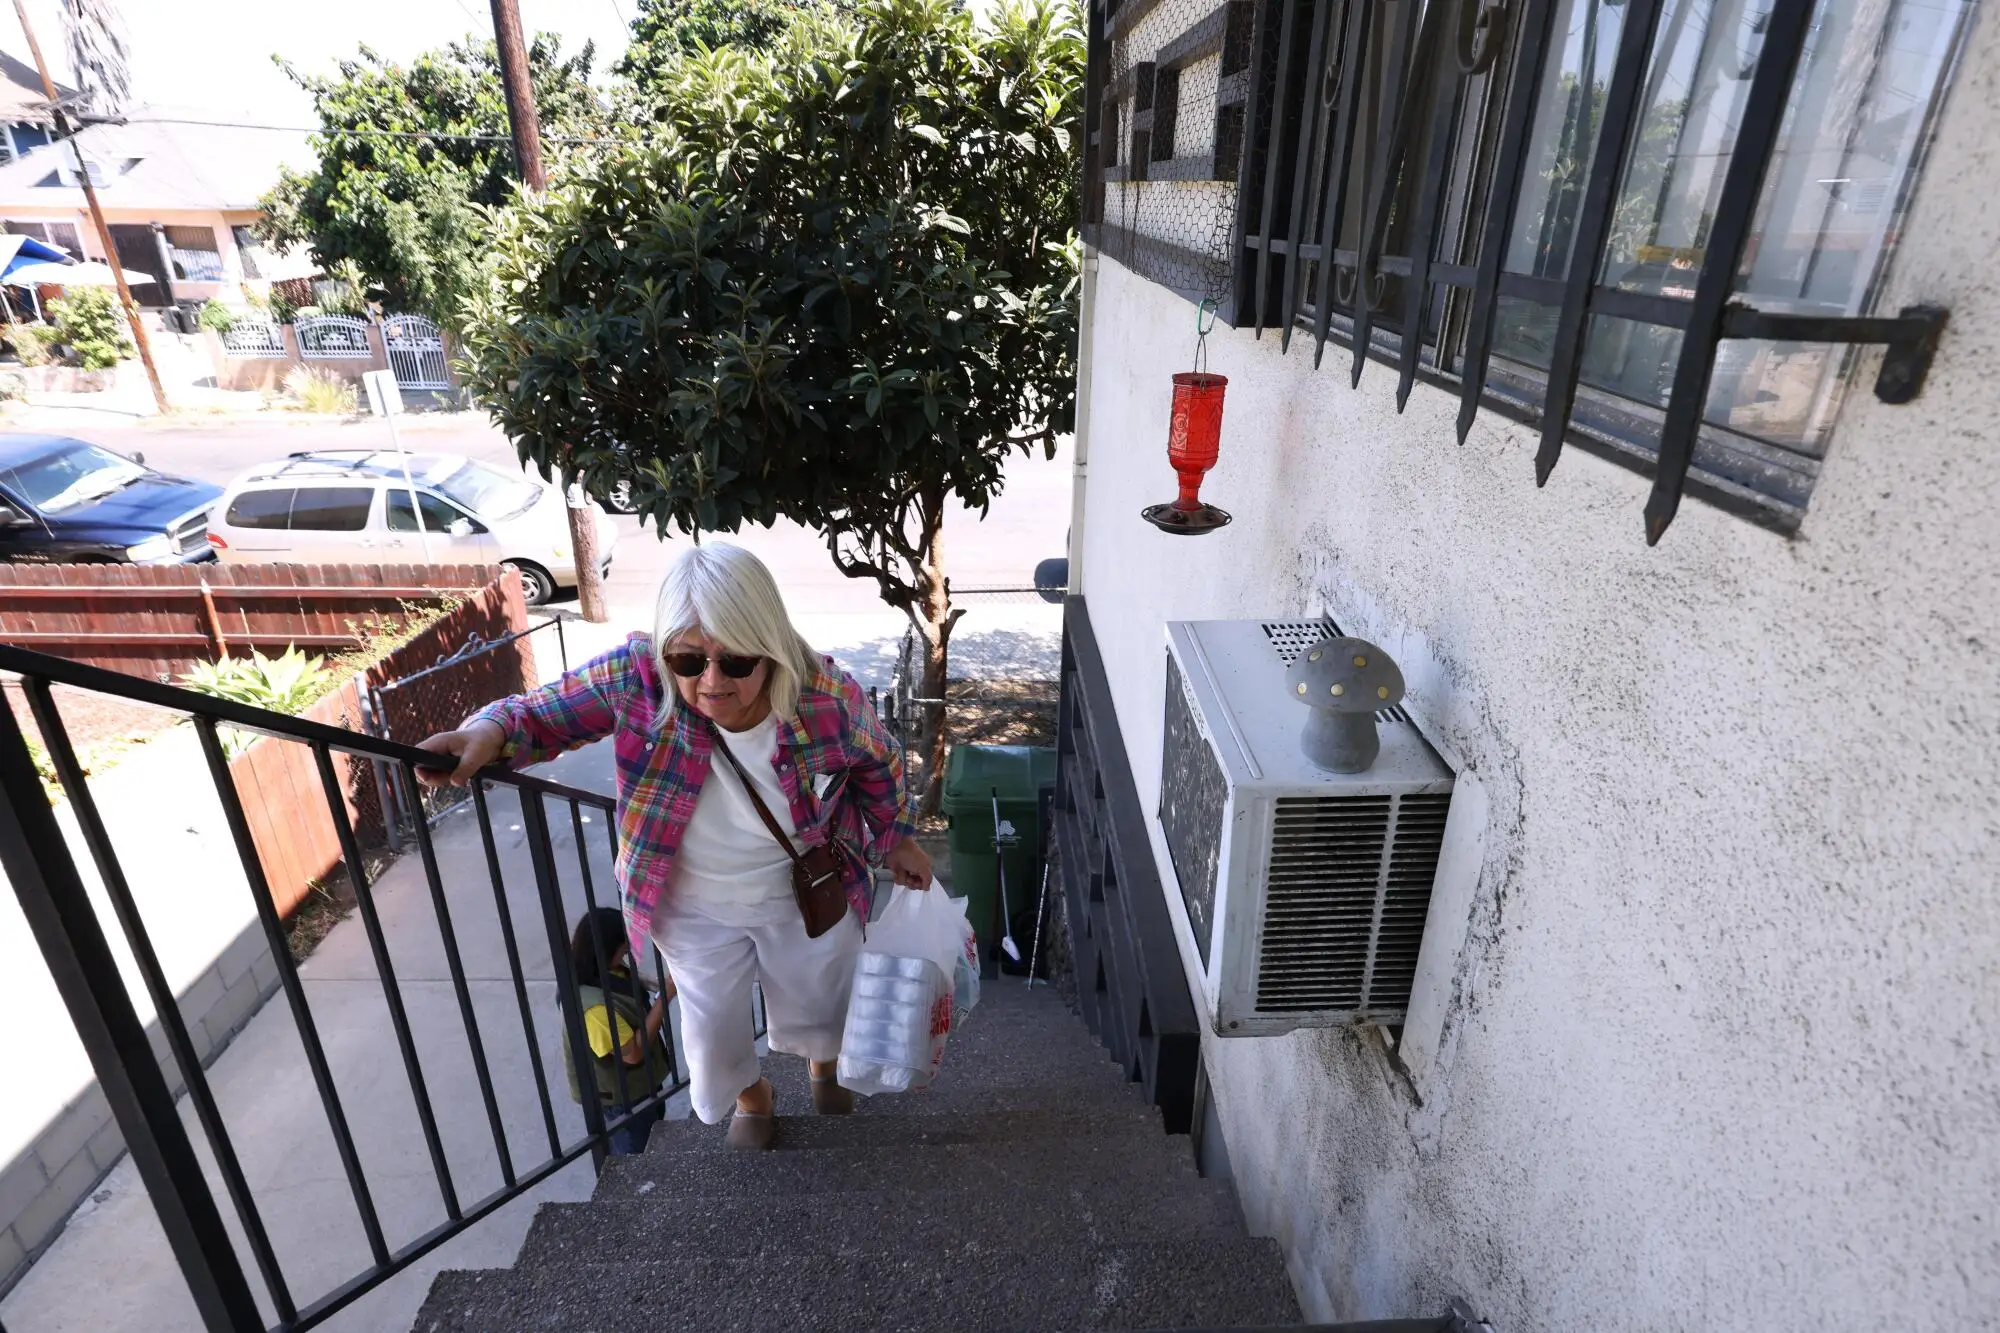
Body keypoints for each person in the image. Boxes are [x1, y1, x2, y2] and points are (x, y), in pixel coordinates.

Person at [417, 542, 932, 1150]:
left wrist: (897, 836)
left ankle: (822, 1062)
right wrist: (487, 730)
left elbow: (879, 763)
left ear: (770, 647)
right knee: (711, 1026)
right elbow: (540, 714)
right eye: (688, 660)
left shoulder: (825, 695)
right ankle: (752, 1094)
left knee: (823, 997)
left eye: (737, 660)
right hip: (691, 905)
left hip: (803, 892)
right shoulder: (638, 675)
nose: (711, 682)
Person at [564, 907, 675, 1154]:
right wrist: (665, 997)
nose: (629, 950)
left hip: (641, 1086)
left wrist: (650, 982)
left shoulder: (598, 969)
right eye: (624, 947)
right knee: (637, 1153)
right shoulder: (594, 1011)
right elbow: (633, 1053)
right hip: (624, 1099)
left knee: (653, 1133)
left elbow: (623, 981)